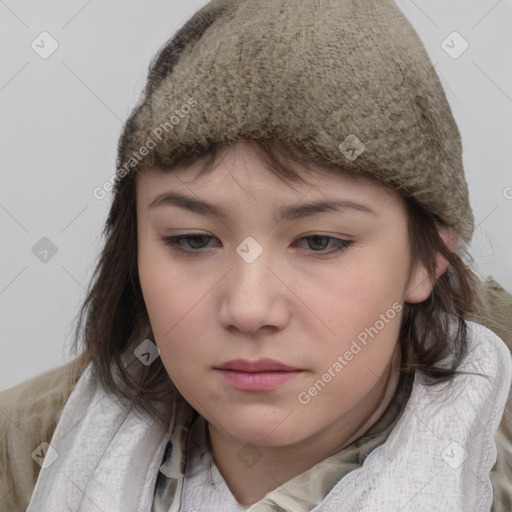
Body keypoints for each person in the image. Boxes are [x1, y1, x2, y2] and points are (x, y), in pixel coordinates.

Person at [1, 0, 512, 510]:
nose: (249, 309)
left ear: (431, 256)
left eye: (320, 242)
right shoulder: (23, 456)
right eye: (193, 240)